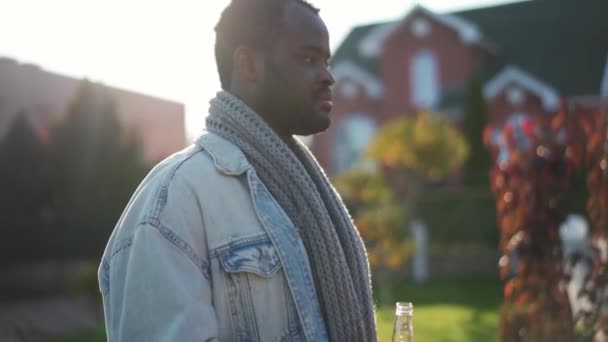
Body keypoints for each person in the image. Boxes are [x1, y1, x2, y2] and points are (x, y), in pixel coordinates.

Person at [98, 0, 377, 340]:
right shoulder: (174, 199)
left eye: (327, 61)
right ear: (247, 65)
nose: (328, 76)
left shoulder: (305, 191)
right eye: (308, 58)